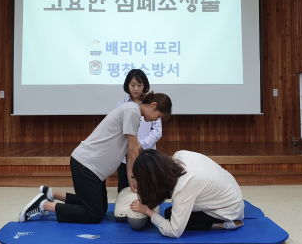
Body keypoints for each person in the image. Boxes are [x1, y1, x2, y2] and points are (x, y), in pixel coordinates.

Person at [18, 91, 172, 224]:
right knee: (94, 214)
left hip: (94, 170)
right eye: (158, 116)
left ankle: (53, 194)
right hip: (87, 165)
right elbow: (133, 151)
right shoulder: (132, 112)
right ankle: (44, 204)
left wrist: (132, 181)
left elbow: (128, 153)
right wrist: (141, 179)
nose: (155, 120)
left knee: (100, 207)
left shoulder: (134, 113)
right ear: (153, 105)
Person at [130, 149, 244, 238]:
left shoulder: (183, 187)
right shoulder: (179, 156)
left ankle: (221, 225)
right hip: (231, 190)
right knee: (172, 212)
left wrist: (148, 211)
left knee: (169, 215)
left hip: (229, 208)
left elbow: (174, 232)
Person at [115, 69, 162, 193]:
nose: (136, 89)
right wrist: (132, 146)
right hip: (126, 154)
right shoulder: (121, 105)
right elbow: (118, 130)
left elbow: (157, 130)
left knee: (148, 188)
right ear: (127, 85)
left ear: (144, 86)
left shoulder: (151, 103)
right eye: (132, 85)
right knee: (125, 189)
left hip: (147, 153)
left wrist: (142, 145)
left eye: (139, 85)